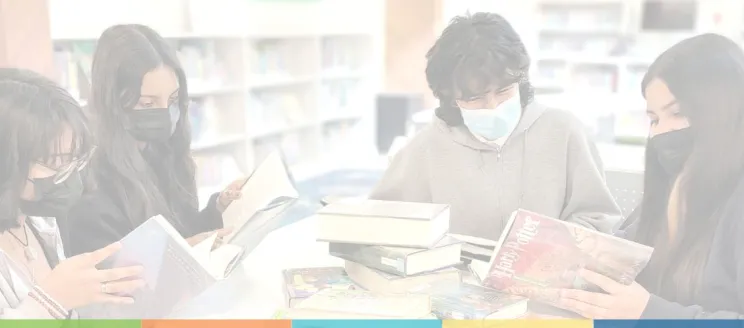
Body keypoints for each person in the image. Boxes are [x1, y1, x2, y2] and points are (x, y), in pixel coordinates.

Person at [369, 13, 620, 240]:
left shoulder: (564, 131)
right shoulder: (424, 148)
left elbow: (598, 218)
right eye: (474, 97)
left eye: (503, 91)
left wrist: (552, 246)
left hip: (549, 284)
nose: (492, 106)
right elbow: (382, 225)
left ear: (520, 80)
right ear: (450, 98)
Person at [556, 33, 744, 319]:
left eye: (678, 112)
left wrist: (648, 312)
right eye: (654, 119)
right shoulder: (676, 188)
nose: (659, 132)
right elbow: (625, 246)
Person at [62, 24, 245, 257]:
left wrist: (218, 209)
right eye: (148, 104)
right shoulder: (90, 185)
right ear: (113, 102)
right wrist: (182, 252)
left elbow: (183, 231)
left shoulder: (162, 152)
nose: (165, 113)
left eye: (173, 99)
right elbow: (112, 276)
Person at [0, 67, 144, 318]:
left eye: (75, 160)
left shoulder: (39, 221)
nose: (70, 175)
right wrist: (50, 302)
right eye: (56, 161)